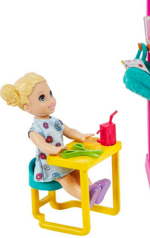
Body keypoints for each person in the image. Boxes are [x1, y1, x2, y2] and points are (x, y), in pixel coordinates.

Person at [1, 72, 111, 206]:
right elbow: (42, 146)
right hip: (48, 166)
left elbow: (68, 130)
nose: (51, 100)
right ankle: (87, 197)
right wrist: (55, 149)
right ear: (27, 107)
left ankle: (93, 190)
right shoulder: (35, 130)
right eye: (42, 98)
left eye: (50, 94)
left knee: (78, 172)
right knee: (65, 179)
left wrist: (80, 136)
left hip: (62, 160)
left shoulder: (55, 121)